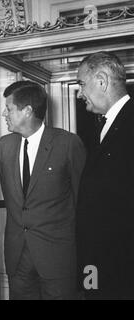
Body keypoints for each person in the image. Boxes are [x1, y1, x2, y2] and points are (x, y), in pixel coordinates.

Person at [0, 81, 86, 300]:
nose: (3, 113)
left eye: (8, 108)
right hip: (18, 256)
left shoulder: (67, 143)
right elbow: (11, 197)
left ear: (27, 111)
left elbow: (82, 201)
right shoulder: (5, 145)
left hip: (57, 257)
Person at [76, 51, 134, 299]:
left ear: (101, 80)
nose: (79, 93)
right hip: (102, 264)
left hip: (121, 266)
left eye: (81, 84)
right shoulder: (103, 125)